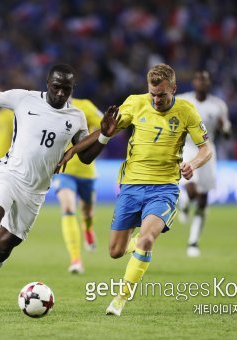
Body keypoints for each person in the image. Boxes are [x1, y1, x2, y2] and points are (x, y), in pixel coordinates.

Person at [0, 64, 116, 314]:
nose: (60, 93)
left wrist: (103, 136)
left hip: (36, 191)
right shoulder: (24, 98)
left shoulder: (76, 117)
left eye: (66, 89)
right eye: (56, 87)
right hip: (9, 175)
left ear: (72, 89)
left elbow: (86, 157)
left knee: (2, 248)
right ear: (47, 83)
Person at [57, 64, 212, 316]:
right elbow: (104, 131)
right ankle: (135, 244)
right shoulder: (134, 104)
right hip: (131, 187)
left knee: (148, 239)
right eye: (153, 94)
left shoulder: (186, 111)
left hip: (164, 189)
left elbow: (206, 148)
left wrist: (192, 164)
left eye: (162, 94)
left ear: (173, 88)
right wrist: (74, 150)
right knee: (116, 251)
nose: (157, 100)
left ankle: (120, 298)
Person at [176, 71, 232, 257]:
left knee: (203, 199)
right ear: (193, 82)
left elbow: (227, 134)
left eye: (205, 81)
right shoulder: (183, 100)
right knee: (192, 190)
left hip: (208, 150)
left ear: (209, 84)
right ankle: (183, 201)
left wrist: (224, 128)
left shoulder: (218, 105)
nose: (202, 83)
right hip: (188, 148)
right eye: (199, 80)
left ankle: (193, 241)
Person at [51, 98, 103, 274]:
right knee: (67, 208)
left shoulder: (85, 106)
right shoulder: (48, 109)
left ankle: (87, 228)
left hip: (87, 171)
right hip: (64, 170)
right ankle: (75, 259)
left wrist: (91, 141)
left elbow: (106, 126)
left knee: (87, 212)